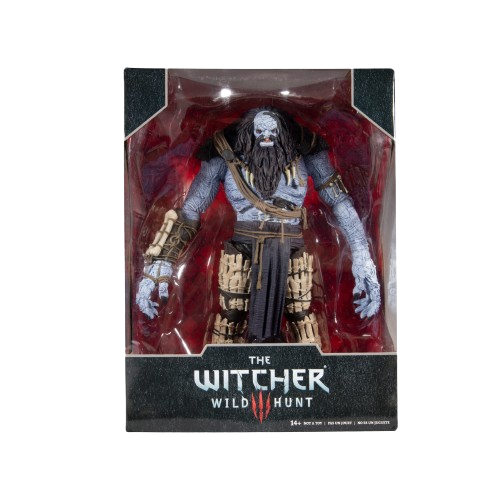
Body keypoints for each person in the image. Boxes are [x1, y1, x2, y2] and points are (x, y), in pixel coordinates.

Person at [136, 107, 380, 347]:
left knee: (303, 323)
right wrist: (162, 262)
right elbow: (191, 208)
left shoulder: (307, 148)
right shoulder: (224, 149)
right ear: (249, 132)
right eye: (260, 131)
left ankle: (314, 372)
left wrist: (361, 254)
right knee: (229, 323)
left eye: (272, 132)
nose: (266, 137)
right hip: (241, 247)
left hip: (291, 246)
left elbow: (339, 201)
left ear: (282, 133)